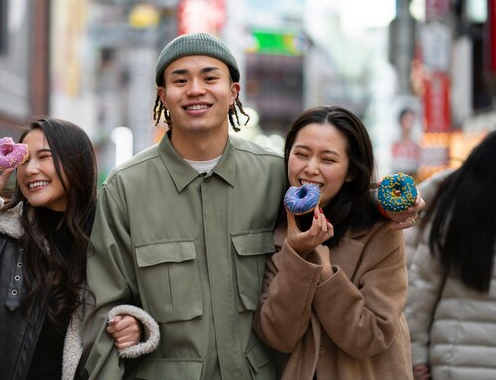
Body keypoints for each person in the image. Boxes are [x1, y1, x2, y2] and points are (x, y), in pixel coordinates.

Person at [80, 33, 422, 380]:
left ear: (233, 92)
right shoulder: (126, 188)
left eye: (210, 77)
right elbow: (103, 309)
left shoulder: (274, 174)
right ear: (163, 96)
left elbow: (334, 189)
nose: (196, 89)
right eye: (180, 80)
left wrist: (395, 201)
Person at [0, 117, 159, 380]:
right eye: (23, 161)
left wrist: (133, 325)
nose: (30, 170)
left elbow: (141, 301)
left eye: (44, 157)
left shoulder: (108, 238)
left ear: (76, 162)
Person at [253, 105, 413, 380]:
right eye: (301, 154)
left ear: (351, 171)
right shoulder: (274, 228)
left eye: (328, 159)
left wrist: (326, 274)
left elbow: (371, 335)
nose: (310, 168)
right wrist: (299, 257)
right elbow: (277, 335)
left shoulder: (380, 231)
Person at [405, 129, 496, 380]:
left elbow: (422, 284)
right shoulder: (462, 207)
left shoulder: (457, 207)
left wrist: (416, 355)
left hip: (454, 358)